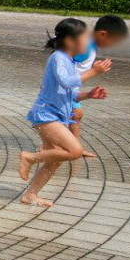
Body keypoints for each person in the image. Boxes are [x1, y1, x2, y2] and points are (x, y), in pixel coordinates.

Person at [19, 17, 108, 208]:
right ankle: (29, 158)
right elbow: (66, 82)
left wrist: (88, 95)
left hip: (54, 116)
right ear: (70, 41)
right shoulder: (58, 58)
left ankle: (30, 195)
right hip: (46, 116)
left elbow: (69, 92)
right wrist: (93, 72)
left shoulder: (69, 61)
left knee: (55, 159)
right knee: (74, 150)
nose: (89, 43)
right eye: (85, 39)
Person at [70, 15, 129, 149]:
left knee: (76, 115)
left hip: (70, 87)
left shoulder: (90, 45)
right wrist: (95, 70)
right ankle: (58, 146)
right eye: (114, 41)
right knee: (74, 114)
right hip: (63, 87)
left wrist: (92, 67)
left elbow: (78, 66)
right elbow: (67, 65)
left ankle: (74, 146)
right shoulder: (85, 48)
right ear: (103, 34)